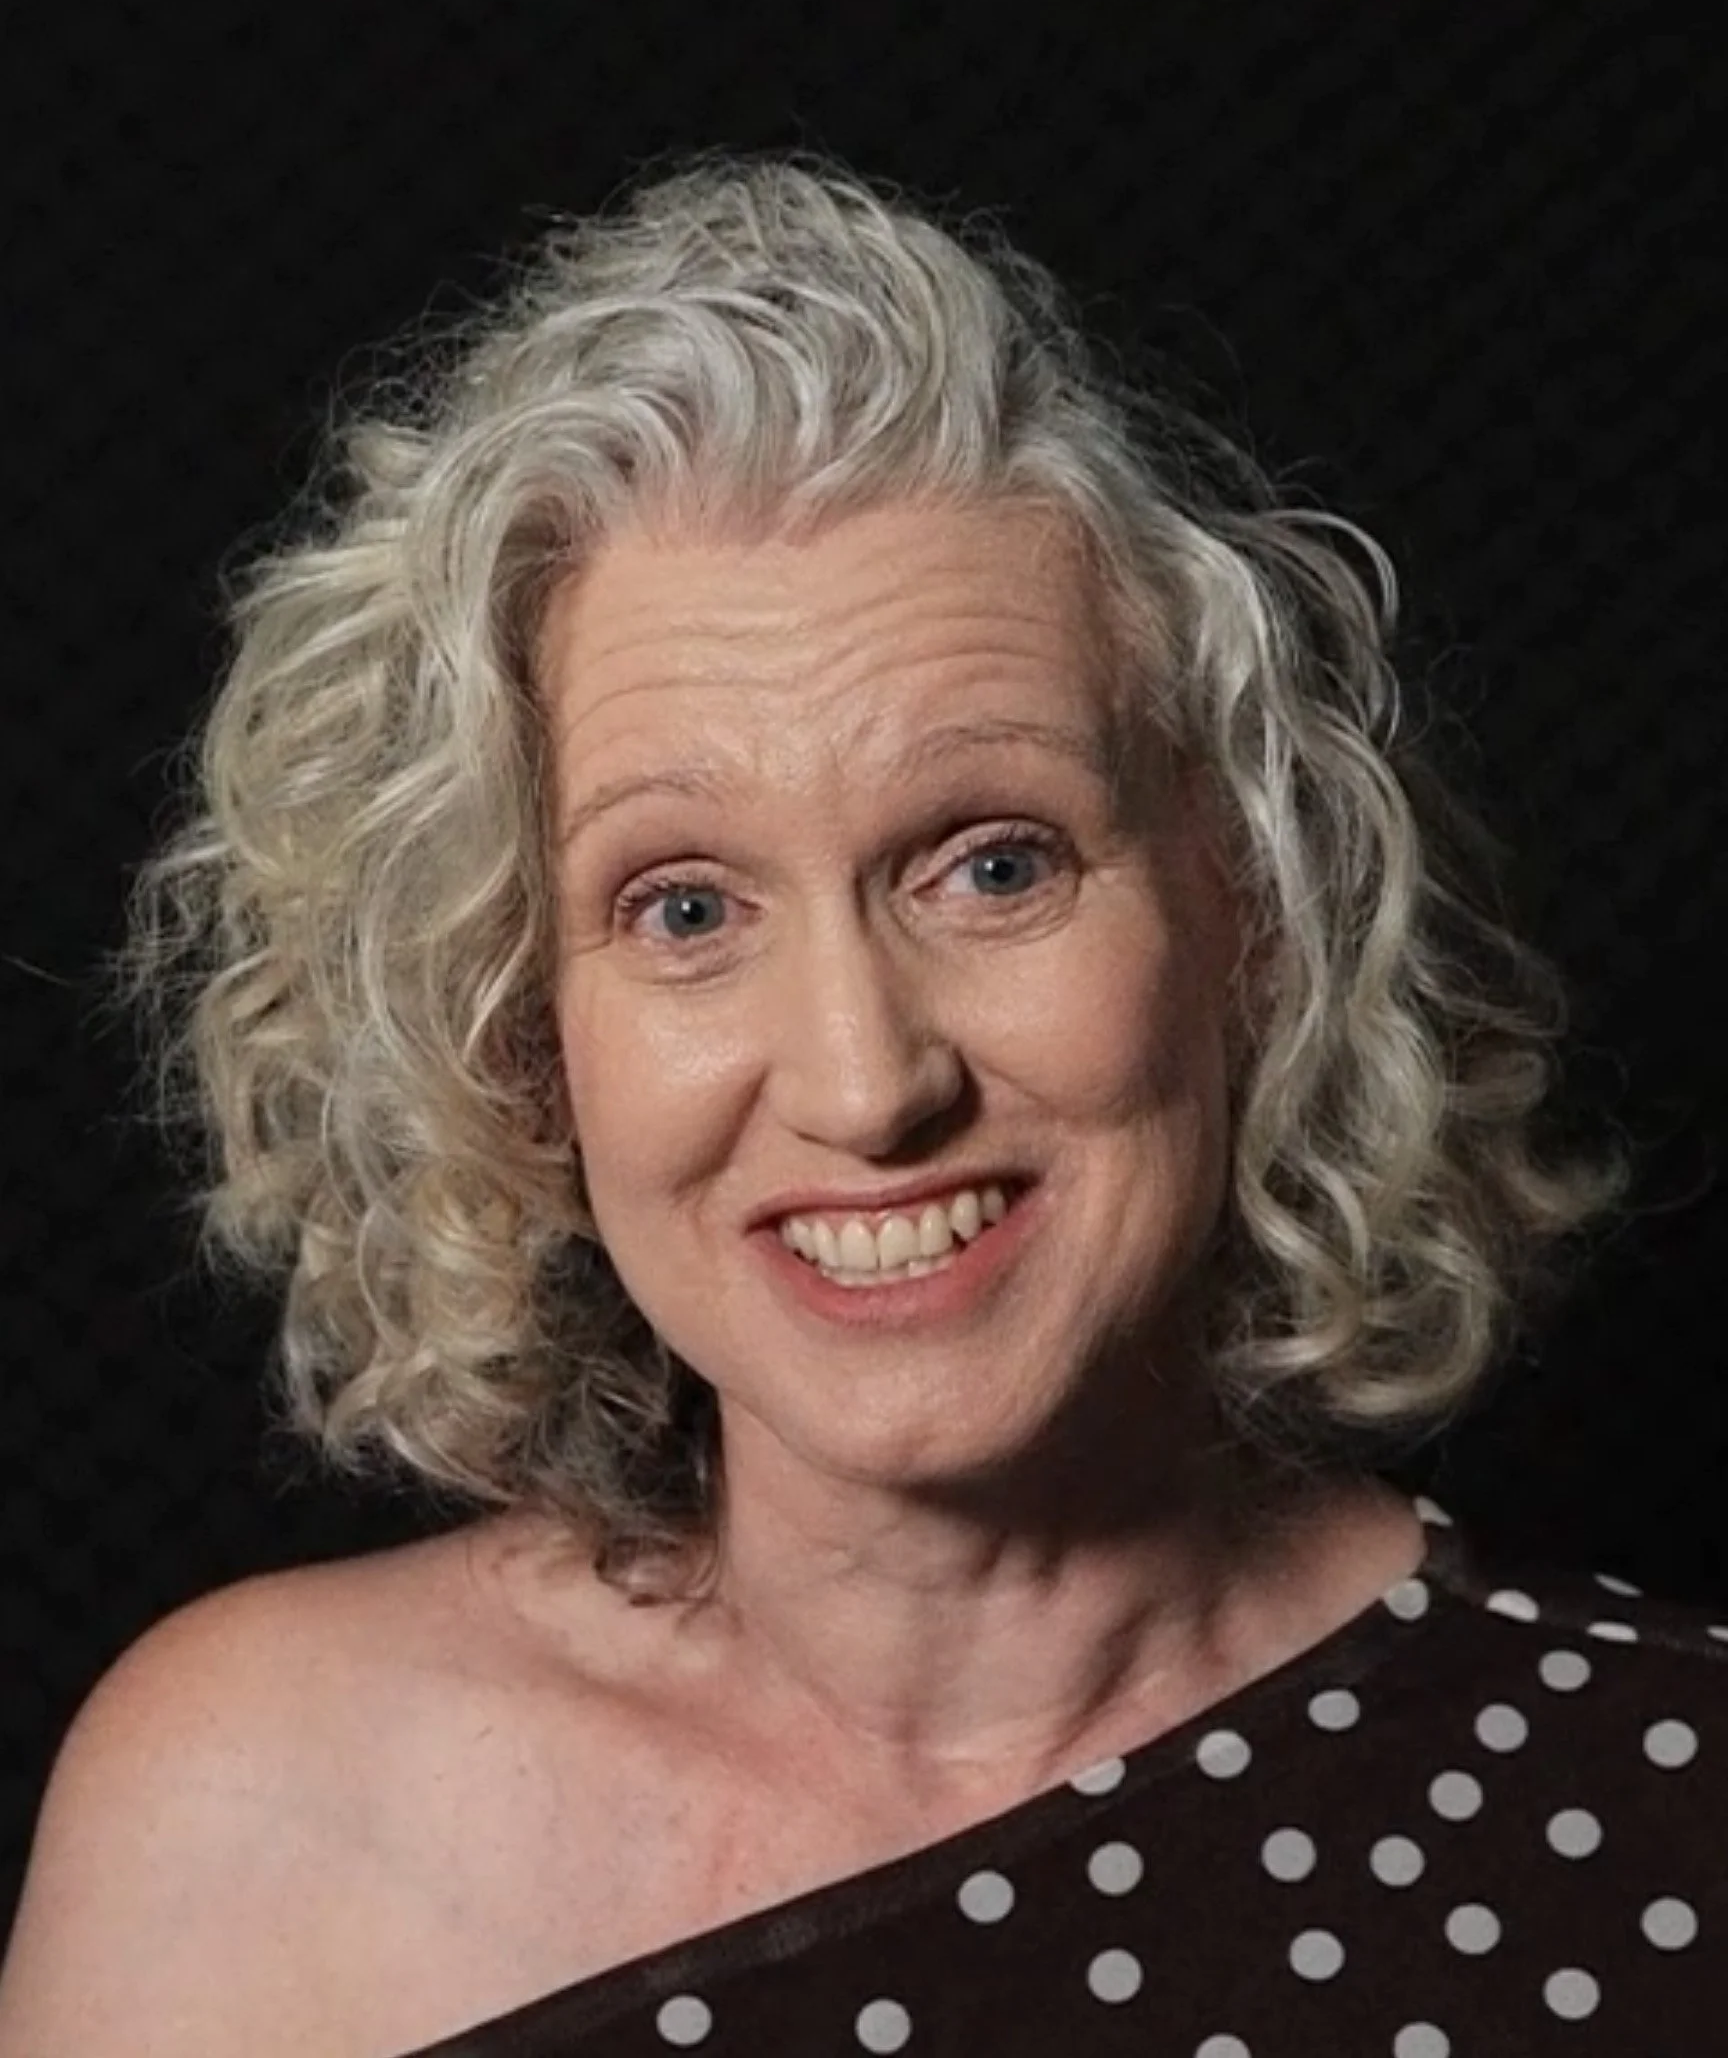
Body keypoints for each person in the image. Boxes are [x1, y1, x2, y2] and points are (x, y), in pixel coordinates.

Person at [0, 156, 1721, 2058]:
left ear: (1245, 914)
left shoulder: (1674, 1816)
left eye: (991, 867)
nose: (863, 1081)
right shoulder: (248, 1820)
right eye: (684, 908)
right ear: (514, 1029)